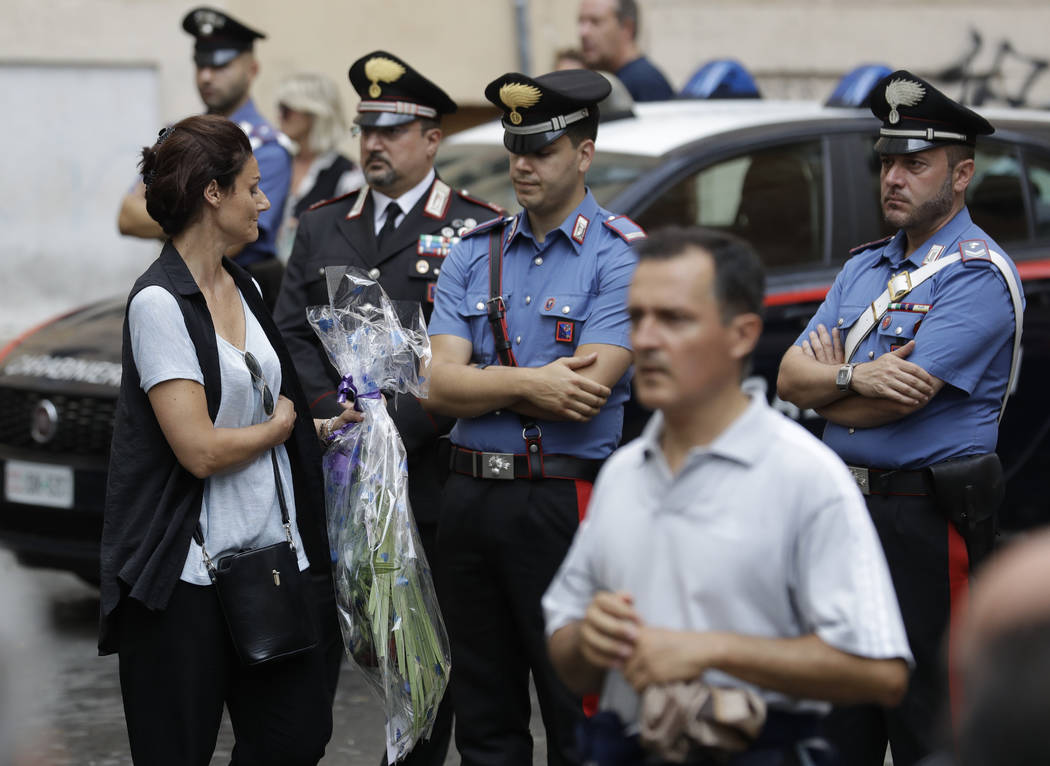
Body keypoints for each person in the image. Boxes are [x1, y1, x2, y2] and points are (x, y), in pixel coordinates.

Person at [542, 226, 911, 765]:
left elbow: (881, 672)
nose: (644, 339)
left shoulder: (804, 475)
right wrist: (586, 641)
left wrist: (711, 651)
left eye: (673, 319)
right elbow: (567, 651)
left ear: (741, 335)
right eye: (637, 316)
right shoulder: (623, 473)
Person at [776, 70, 1024, 766]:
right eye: (887, 161)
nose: (893, 177)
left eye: (916, 163)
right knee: (839, 722)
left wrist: (828, 387)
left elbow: (897, 401)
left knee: (928, 725)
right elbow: (790, 376)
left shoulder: (979, 274)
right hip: (844, 516)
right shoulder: (863, 268)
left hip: (923, 523)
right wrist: (850, 375)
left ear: (963, 173)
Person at [99, 114, 361, 766]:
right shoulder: (159, 303)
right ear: (212, 194)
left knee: (295, 740)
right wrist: (281, 428)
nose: (265, 201)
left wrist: (320, 429)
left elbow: (261, 401)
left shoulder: (244, 283)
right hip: (186, 582)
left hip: (270, 565)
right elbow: (201, 449)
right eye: (251, 186)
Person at [273, 50, 503, 766]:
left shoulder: (473, 226)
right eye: (366, 127)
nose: (374, 142)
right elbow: (291, 328)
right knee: (344, 642)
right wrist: (331, 410)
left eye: (393, 130)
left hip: (428, 477)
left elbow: (481, 349)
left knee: (427, 649)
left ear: (432, 140)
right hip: (340, 475)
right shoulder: (322, 224)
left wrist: (395, 428)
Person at [424, 67, 640, 765]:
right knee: (484, 718)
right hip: (466, 498)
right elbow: (433, 388)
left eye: (541, 151)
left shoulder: (619, 257)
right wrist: (529, 382)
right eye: (516, 150)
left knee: (576, 708)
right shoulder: (471, 252)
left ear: (583, 153)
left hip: (560, 496)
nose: (522, 165)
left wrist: (479, 382)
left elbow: (587, 389)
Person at [117, 6, 292, 310]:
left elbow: (233, 241)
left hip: (241, 291)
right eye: (201, 64)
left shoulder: (267, 147)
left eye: (221, 65)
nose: (207, 76)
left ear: (252, 69)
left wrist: (171, 213)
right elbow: (128, 217)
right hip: (180, 283)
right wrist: (204, 219)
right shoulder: (178, 135)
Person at [273, 72, 363, 262]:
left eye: (286, 109)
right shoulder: (278, 162)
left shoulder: (347, 175)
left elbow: (352, 241)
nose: (279, 116)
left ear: (313, 113)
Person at [577, 0, 674, 102]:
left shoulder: (645, 83)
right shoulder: (617, 80)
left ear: (627, 28)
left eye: (595, 21)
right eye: (581, 22)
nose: (583, 32)